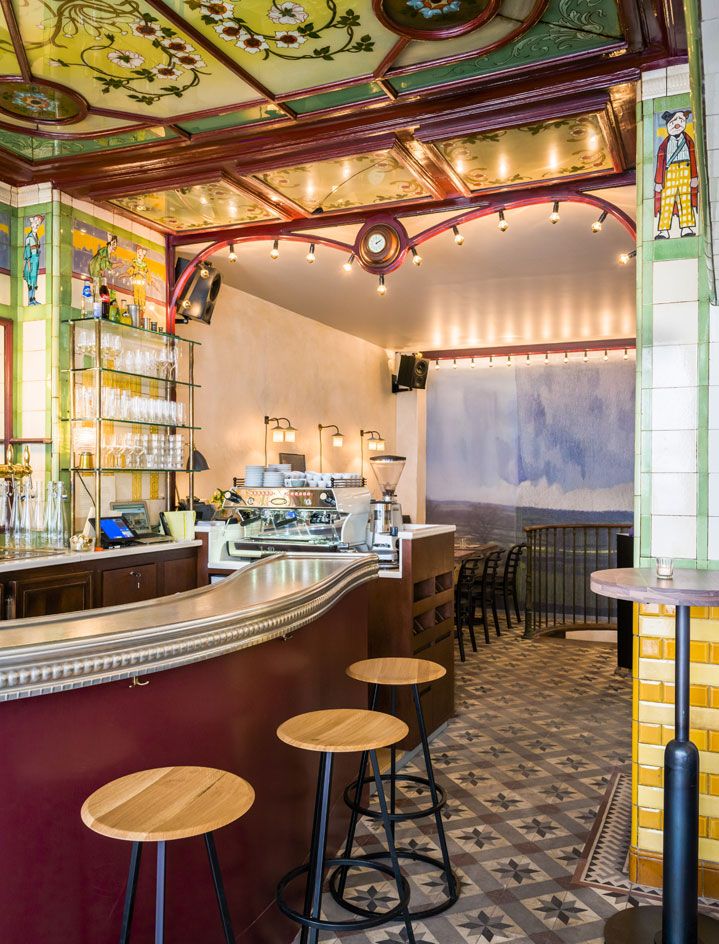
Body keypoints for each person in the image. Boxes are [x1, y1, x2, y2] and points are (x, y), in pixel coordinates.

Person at [654, 109, 698, 238]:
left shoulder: (689, 141)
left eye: (681, 120)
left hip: (686, 170)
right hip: (670, 172)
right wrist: (658, 181)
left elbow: (694, 159)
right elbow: (660, 162)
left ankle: (686, 227)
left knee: (685, 199)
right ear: (668, 125)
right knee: (666, 200)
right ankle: (663, 230)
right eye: (673, 121)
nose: (677, 124)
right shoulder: (664, 144)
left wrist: (694, 176)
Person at [23, 215, 43, 305]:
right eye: (34, 225)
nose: (36, 227)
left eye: (37, 225)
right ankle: (30, 300)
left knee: (34, 280)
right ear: (31, 226)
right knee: (31, 279)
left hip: (36, 259)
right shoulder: (29, 237)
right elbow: (27, 250)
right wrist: (28, 262)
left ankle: (33, 298)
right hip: (31, 260)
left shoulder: (36, 236)